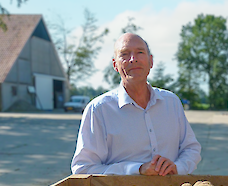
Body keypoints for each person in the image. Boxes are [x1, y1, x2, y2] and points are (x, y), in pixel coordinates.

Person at [71, 33, 201, 176]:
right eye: (125, 54)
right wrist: (137, 170)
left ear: (151, 61)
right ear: (115, 65)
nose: (133, 59)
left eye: (140, 52)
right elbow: (83, 168)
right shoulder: (99, 110)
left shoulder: (171, 102)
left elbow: (191, 148)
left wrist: (178, 167)